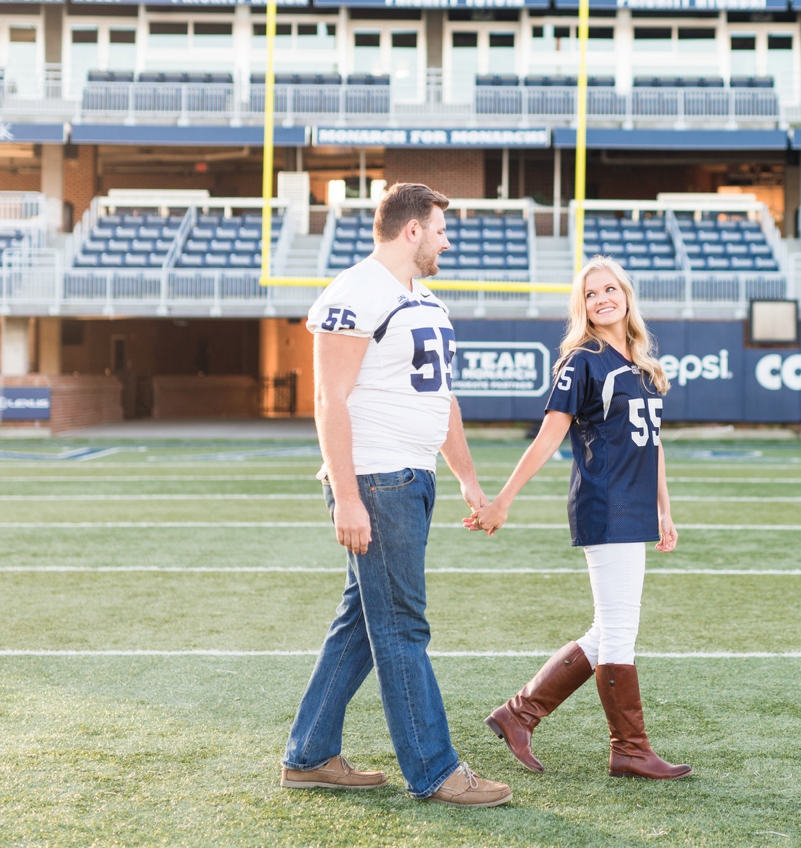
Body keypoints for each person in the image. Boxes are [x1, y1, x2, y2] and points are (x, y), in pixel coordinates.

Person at [281, 183, 512, 808]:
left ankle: (309, 754)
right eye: (440, 229)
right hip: (378, 482)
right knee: (402, 627)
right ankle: (435, 771)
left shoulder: (424, 298)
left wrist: (464, 475)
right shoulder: (356, 291)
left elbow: (442, 399)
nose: (446, 239)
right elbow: (328, 398)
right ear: (412, 230)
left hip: (415, 478)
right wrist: (348, 495)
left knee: (362, 623)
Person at [469, 255, 691, 781]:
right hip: (605, 501)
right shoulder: (582, 360)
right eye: (591, 294)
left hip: (635, 505)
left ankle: (519, 713)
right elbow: (549, 435)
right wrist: (503, 498)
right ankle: (630, 749)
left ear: (627, 296)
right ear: (583, 306)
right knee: (619, 631)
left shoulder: (641, 361)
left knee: (608, 628)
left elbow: (653, 446)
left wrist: (665, 508)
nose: (602, 299)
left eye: (610, 289)